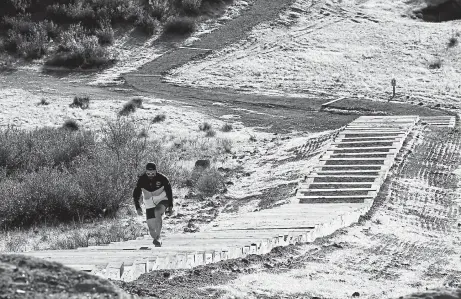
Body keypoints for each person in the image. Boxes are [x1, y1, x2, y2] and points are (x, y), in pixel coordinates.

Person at [133, 162, 173, 247]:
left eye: (152, 173)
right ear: (146, 172)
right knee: (151, 230)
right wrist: (137, 207)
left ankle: (158, 237)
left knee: (157, 211)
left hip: (162, 199)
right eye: (148, 173)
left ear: (156, 171)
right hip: (149, 203)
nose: (150, 175)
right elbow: (136, 194)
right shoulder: (142, 179)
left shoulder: (162, 178)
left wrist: (170, 206)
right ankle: (157, 239)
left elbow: (169, 191)